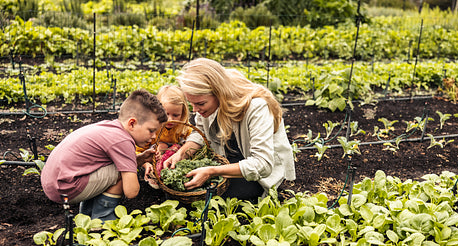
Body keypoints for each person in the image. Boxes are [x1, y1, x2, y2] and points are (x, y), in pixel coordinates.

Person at [164, 58, 296, 201]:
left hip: (257, 173)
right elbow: (200, 133)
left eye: (200, 103)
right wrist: (181, 153)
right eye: (191, 104)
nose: (195, 110)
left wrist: (211, 171)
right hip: (227, 158)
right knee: (184, 186)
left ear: (219, 93)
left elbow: (262, 164)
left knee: (213, 195)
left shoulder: (257, 107)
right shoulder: (210, 101)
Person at [41, 89, 167, 221]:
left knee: (115, 168)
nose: (153, 137)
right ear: (132, 123)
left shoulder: (110, 128)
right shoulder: (124, 141)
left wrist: (140, 159)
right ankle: (103, 219)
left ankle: (87, 215)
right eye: (151, 130)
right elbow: (131, 192)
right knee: (120, 173)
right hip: (66, 188)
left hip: (55, 183)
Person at [136, 85, 192, 189]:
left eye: (176, 115)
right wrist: (144, 164)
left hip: (173, 157)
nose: (170, 119)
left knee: (181, 147)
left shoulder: (183, 127)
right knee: (161, 146)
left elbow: (194, 142)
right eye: (166, 114)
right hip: (153, 156)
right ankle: (154, 173)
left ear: (182, 113)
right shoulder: (151, 128)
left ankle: (169, 173)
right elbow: (137, 151)